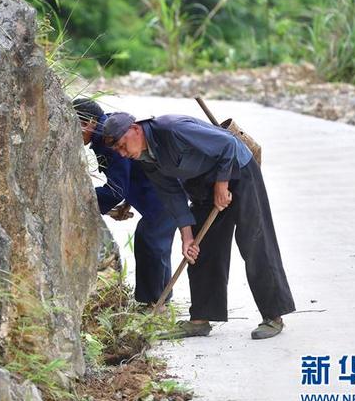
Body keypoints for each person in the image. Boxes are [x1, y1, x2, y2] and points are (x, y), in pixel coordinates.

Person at [102, 112, 295, 339]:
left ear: (135, 129)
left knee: (255, 242)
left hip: (238, 172)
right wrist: (187, 236)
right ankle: (201, 319)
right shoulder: (146, 159)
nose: (124, 154)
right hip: (203, 185)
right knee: (201, 248)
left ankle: (273, 315)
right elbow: (172, 194)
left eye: (123, 146)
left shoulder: (172, 129)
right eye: (119, 151)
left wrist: (222, 186)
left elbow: (228, 144)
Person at [72, 98, 177, 305]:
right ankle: (160, 300)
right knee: (155, 243)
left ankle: (156, 304)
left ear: (89, 122)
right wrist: (127, 203)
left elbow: (115, 189)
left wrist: (79, 199)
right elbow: (131, 170)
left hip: (164, 195)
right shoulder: (110, 126)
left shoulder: (108, 138)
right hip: (163, 191)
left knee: (151, 242)